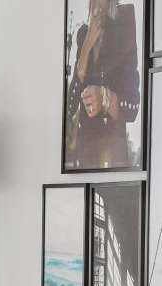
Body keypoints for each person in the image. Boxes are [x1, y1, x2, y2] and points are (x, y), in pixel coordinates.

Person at [65, 0, 141, 170]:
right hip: (84, 154)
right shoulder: (83, 33)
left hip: (113, 154)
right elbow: (69, 108)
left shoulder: (125, 20)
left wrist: (104, 98)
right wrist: (85, 47)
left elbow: (132, 108)